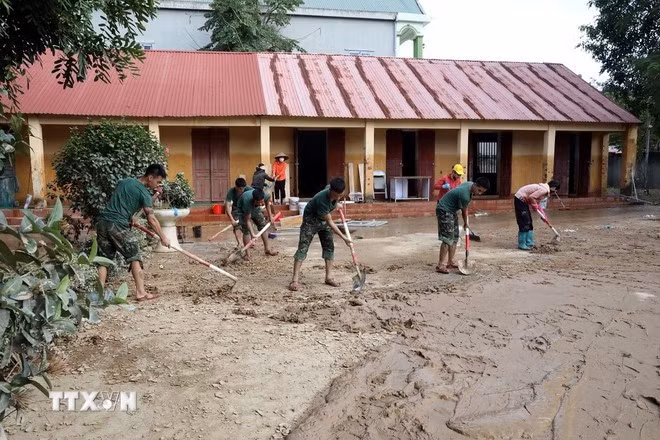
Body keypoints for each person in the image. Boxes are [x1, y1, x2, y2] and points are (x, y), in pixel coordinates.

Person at [96, 164, 170, 301]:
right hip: (118, 225)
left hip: (102, 222)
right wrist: (163, 237)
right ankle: (141, 293)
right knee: (134, 255)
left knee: (103, 259)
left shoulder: (124, 182)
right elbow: (152, 219)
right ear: (150, 177)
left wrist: (129, 218)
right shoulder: (144, 193)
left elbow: (122, 201)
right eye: (157, 181)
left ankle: (99, 295)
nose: (157, 184)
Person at [289, 177, 352, 291]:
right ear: (330, 191)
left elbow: (335, 200)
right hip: (311, 221)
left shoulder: (333, 189)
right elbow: (331, 223)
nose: (338, 198)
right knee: (303, 248)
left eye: (340, 195)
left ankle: (328, 277)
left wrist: (336, 203)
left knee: (329, 247)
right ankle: (295, 280)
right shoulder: (322, 200)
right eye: (335, 195)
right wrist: (344, 238)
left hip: (323, 220)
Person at [435, 177, 490, 273]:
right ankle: (440, 265)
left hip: (452, 211)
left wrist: (466, 222)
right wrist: (466, 223)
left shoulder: (470, 184)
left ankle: (450, 262)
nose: (479, 193)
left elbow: (464, 208)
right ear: (475, 185)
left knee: (455, 237)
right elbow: (464, 210)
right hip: (444, 209)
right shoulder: (464, 195)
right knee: (447, 238)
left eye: (482, 192)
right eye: (479, 190)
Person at [514, 180, 560, 250]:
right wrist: (534, 204)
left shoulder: (544, 191)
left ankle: (530, 243)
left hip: (524, 201)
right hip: (520, 200)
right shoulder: (544, 190)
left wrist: (544, 216)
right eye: (556, 190)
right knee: (525, 222)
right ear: (553, 188)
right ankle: (522, 244)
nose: (555, 192)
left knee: (529, 222)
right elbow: (531, 197)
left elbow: (538, 204)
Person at [236, 188, 278, 260]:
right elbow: (248, 220)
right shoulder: (247, 202)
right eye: (260, 202)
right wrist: (253, 235)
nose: (262, 204)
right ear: (254, 200)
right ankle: (247, 254)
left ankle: (267, 249)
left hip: (256, 208)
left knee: (263, 225)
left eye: (262, 201)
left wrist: (270, 216)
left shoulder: (266, 195)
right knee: (246, 230)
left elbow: (267, 203)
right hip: (242, 210)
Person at [225, 177, 251, 248]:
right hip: (236, 208)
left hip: (247, 207)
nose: (242, 190)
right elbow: (227, 207)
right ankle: (239, 243)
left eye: (243, 189)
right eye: (240, 189)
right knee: (237, 226)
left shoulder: (248, 189)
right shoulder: (231, 191)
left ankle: (250, 241)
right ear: (236, 187)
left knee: (247, 225)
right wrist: (232, 220)